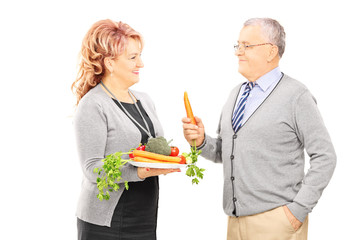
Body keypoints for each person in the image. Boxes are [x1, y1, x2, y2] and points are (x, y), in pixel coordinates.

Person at [182, 18, 336, 240]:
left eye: (247, 46)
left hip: (277, 223)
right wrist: (201, 141)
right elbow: (224, 152)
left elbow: (325, 156)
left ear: (271, 51)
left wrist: (298, 210)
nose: (238, 52)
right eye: (238, 45)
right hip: (234, 224)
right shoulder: (235, 94)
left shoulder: (296, 96)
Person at [72, 19, 179, 240]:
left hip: (144, 216)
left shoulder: (145, 100)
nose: (141, 64)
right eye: (133, 57)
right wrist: (137, 172)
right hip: (105, 222)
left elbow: (153, 150)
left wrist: (170, 159)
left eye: (140, 55)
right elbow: (92, 169)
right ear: (110, 63)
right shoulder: (93, 105)